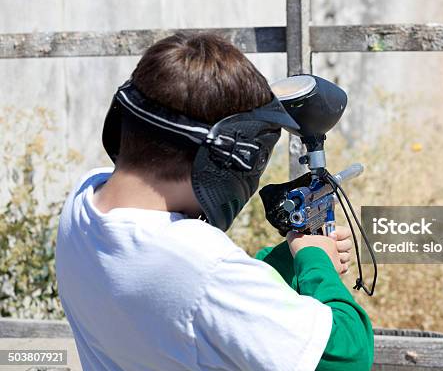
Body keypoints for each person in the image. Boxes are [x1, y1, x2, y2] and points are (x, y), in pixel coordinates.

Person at [55, 32, 373, 371]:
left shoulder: (85, 197)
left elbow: (186, 305)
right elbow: (347, 356)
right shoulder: (201, 264)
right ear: (228, 159)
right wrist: (316, 264)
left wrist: (293, 255)